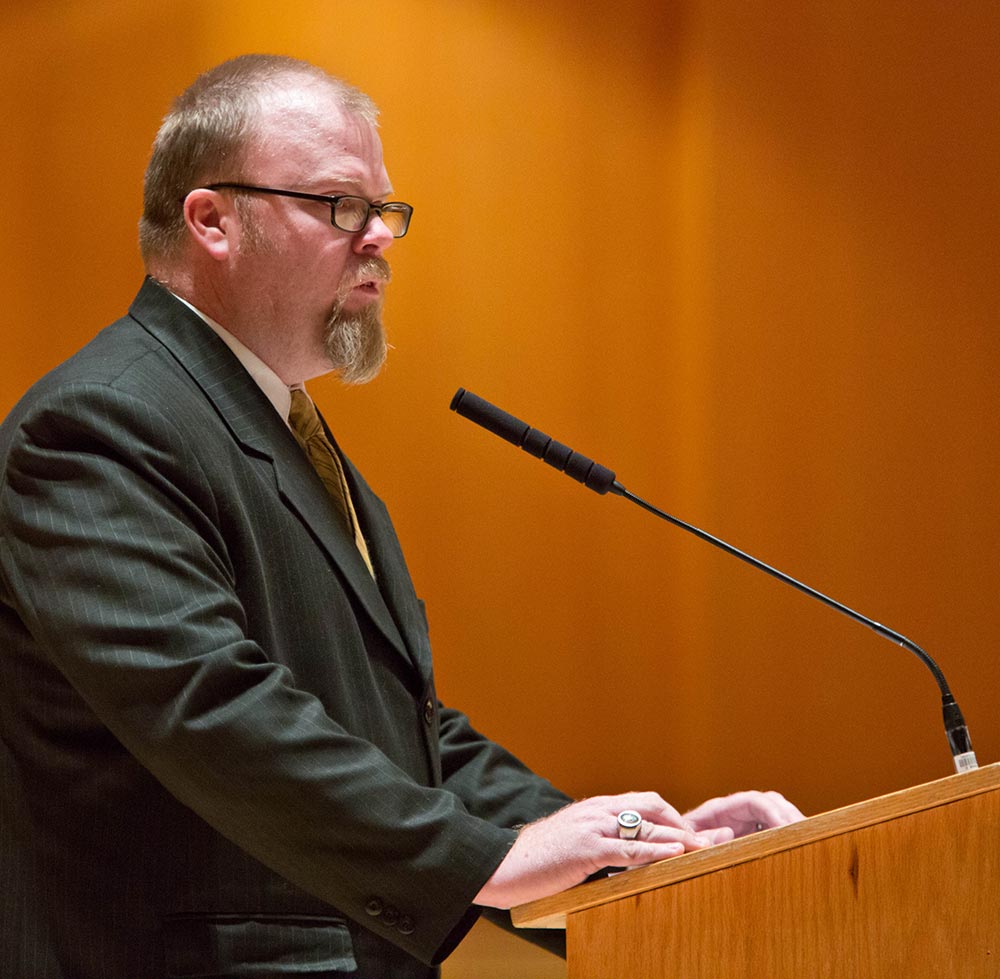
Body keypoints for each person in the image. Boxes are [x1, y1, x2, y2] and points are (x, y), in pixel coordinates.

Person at [0, 54, 803, 978]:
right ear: (213, 219)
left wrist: (635, 845)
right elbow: (211, 708)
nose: (380, 235)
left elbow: (401, 732)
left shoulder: (272, 426)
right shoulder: (102, 423)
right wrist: (485, 861)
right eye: (342, 205)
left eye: (386, 209)